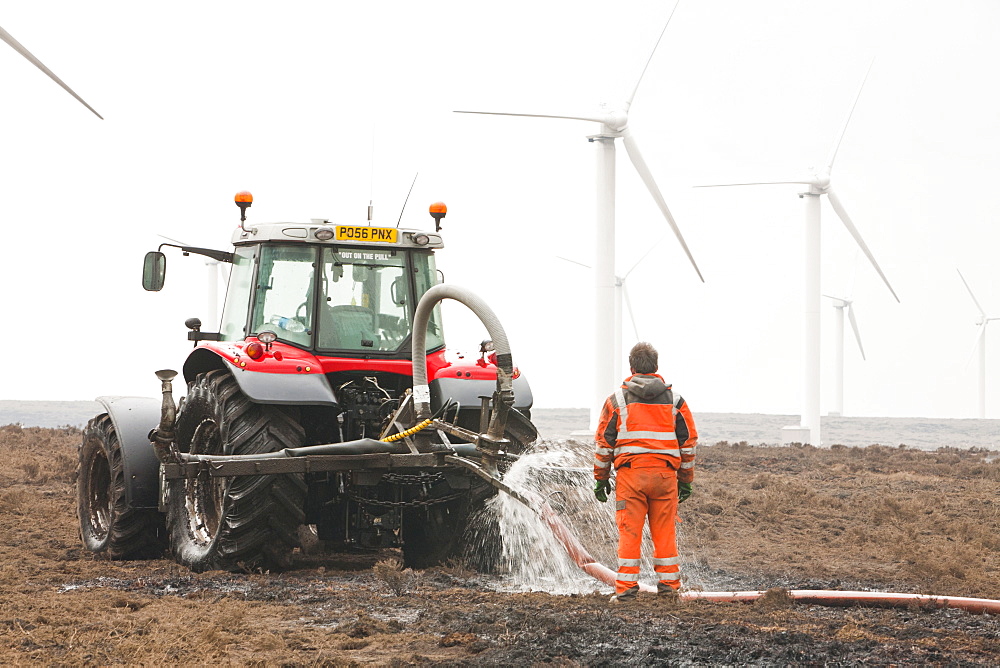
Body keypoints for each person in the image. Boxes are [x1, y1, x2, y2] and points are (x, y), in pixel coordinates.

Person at [593, 341, 698, 602]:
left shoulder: (616, 400)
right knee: (665, 532)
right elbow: (688, 443)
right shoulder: (676, 401)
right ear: (656, 367)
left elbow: (604, 444)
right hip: (665, 477)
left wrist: (601, 479)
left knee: (630, 532)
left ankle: (626, 591)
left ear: (631, 367)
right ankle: (670, 588)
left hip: (631, 477)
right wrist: (685, 480)